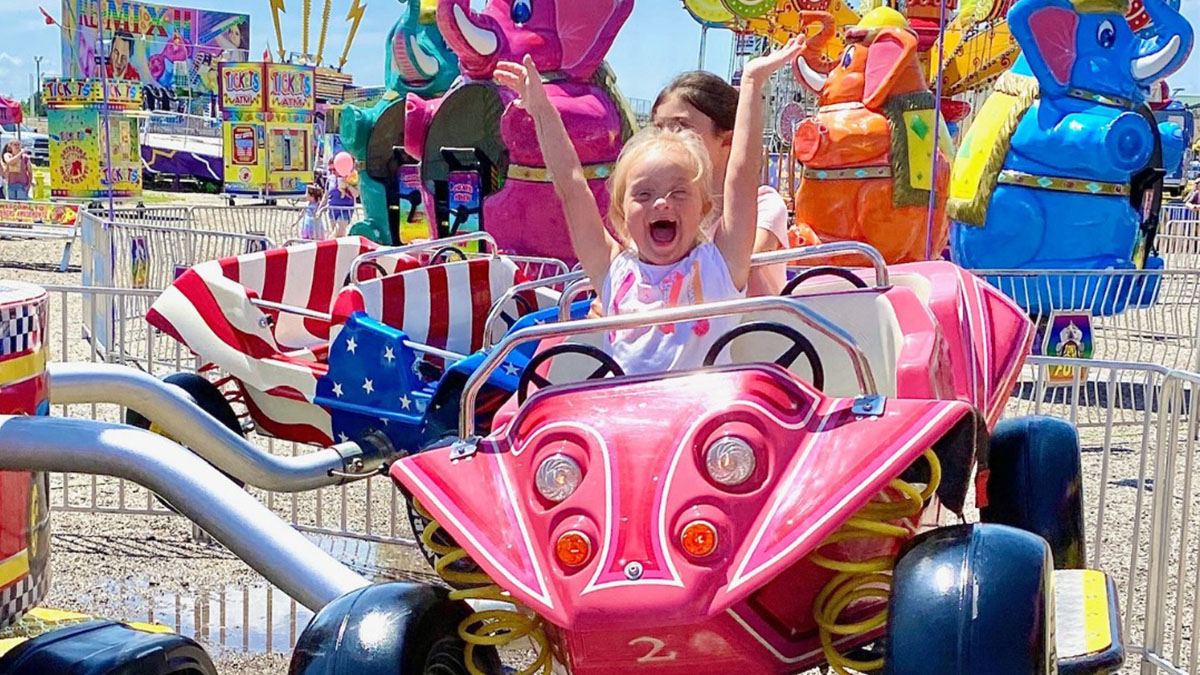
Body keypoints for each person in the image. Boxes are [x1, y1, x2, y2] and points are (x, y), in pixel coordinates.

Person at [494, 39, 806, 375]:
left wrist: (752, 82)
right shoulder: (612, 270)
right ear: (621, 212)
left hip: (702, 419)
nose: (660, 202)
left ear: (703, 209)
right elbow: (571, 184)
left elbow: (740, 176)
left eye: (678, 193)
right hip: (631, 418)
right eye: (643, 194)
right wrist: (541, 109)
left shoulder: (719, 268)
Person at [651, 72, 799, 296]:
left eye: (682, 127)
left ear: (728, 140)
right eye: (659, 127)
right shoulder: (658, 208)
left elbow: (731, 266)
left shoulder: (766, 205)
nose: (667, 138)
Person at [325, 159, 359, 238]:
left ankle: (327, 242)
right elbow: (326, 195)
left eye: (334, 169)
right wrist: (319, 209)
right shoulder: (330, 179)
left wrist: (347, 184)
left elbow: (356, 194)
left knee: (338, 230)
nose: (332, 172)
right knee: (340, 236)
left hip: (346, 209)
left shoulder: (350, 178)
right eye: (330, 170)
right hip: (332, 209)